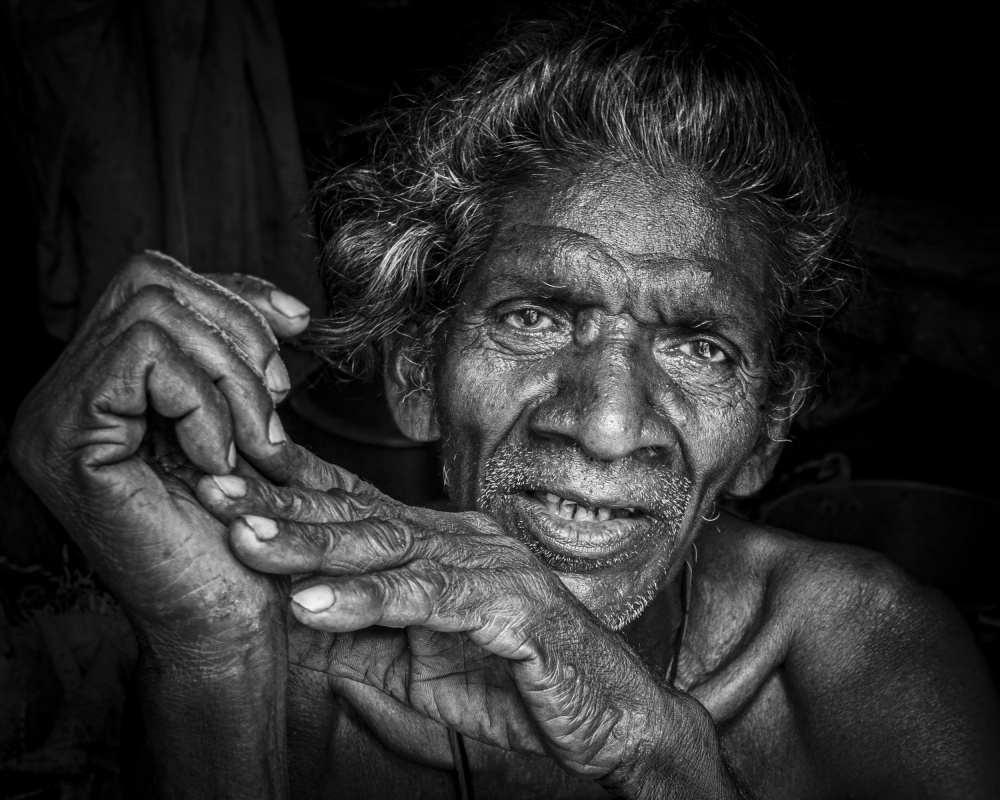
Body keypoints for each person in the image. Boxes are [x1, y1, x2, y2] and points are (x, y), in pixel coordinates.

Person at [9, 2, 1000, 798]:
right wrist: (213, 653)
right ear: (413, 369)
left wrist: (651, 746)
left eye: (698, 344)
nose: (607, 422)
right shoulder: (276, 679)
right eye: (534, 317)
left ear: (765, 431)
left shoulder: (867, 659)